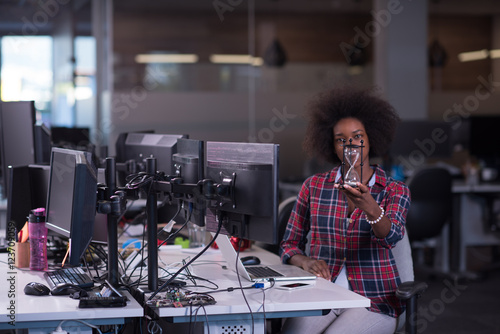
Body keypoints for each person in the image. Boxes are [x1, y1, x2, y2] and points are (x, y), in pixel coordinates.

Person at [280, 86, 411, 334]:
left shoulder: (395, 190)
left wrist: (371, 208)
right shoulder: (314, 186)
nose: (350, 145)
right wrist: (306, 262)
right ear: (332, 146)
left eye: (358, 137)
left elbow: (391, 236)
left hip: (375, 300)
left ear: (371, 138)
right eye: (341, 140)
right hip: (324, 293)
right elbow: (288, 244)